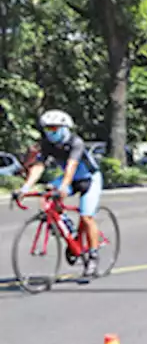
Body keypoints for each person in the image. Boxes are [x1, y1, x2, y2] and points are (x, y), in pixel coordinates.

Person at [13, 109, 105, 276]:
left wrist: (63, 187)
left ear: (64, 128)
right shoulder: (47, 145)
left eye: (54, 128)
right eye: (47, 129)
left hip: (89, 179)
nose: (50, 132)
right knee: (47, 197)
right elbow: (39, 167)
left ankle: (93, 255)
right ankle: (69, 231)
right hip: (68, 178)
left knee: (86, 216)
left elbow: (71, 167)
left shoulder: (76, 142)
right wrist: (25, 188)